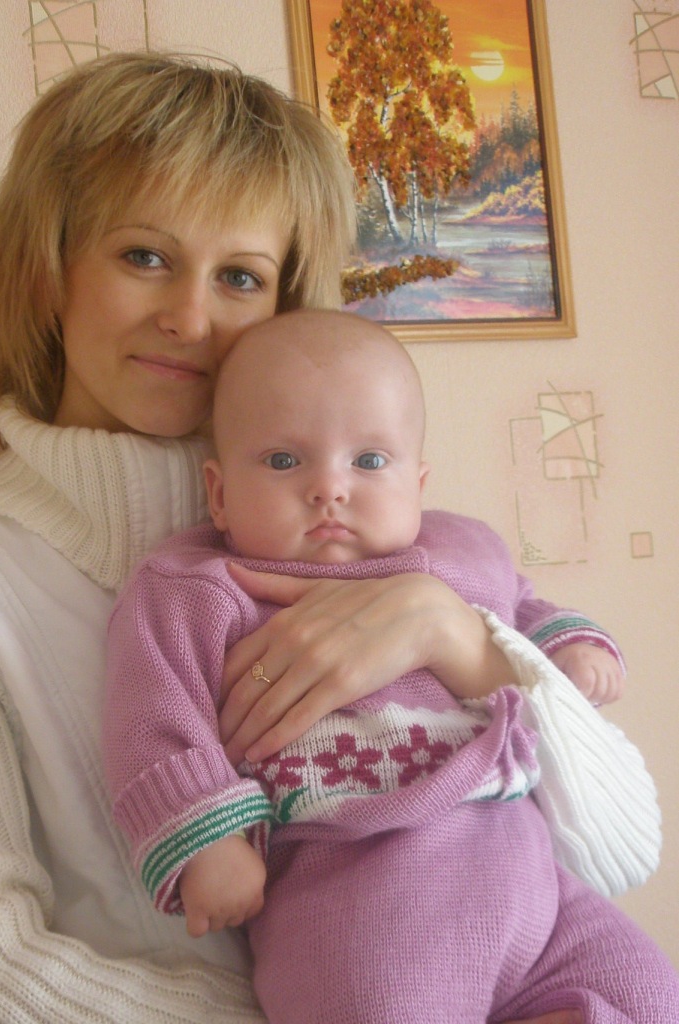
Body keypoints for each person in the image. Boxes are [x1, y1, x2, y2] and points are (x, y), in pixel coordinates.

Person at [0, 51, 652, 1024]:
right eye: (144, 256)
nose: (190, 317)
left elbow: (622, 853)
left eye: (241, 276)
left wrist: (461, 641)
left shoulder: (366, 532)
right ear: (48, 272)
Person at [105, 309, 679, 1023]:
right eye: (283, 461)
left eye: (369, 461)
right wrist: (208, 840)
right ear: (219, 494)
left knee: (646, 993)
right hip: (360, 899)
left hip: (530, 877)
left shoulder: (460, 552)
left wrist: (571, 645)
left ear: (419, 482)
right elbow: (152, 715)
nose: (329, 488)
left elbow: (521, 610)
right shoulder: (196, 586)